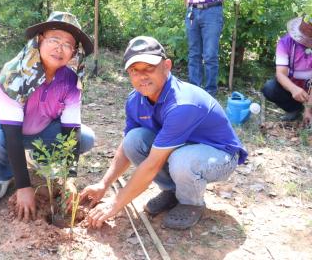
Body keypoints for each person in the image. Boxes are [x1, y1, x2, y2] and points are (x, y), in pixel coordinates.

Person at [80, 36, 248, 230]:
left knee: (181, 159)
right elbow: (127, 147)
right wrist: (104, 183)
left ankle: (191, 203)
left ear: (167, 66)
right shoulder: (135, 100)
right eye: (135, 70)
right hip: (182, 149)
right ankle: (172, 191)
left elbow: (153, 165)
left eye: (149, 68)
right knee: (134, 140)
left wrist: (115, 203)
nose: (142, 76)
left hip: (221, 156)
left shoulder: (182, 103)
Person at [0, 11, 96, 222]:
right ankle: (3, 176)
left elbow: (70, 130)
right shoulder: (15, 72)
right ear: (40, 39)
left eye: (68, 44)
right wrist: (23, 186)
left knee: (85, 137)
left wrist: (69, 178)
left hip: (42, 130)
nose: (60, 48)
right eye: (54, 39)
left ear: (74, 51)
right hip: (7, 132)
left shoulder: (71, 81)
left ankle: (42, 160)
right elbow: (11, 132)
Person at [262, 17, 312, 123]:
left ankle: (307, 112)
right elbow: (280, 74)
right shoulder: (285, 42)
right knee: (270, 88)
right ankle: (294, 109)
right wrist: (294, 89)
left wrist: (309, 110)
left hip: (310, 88)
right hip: (291, 87)